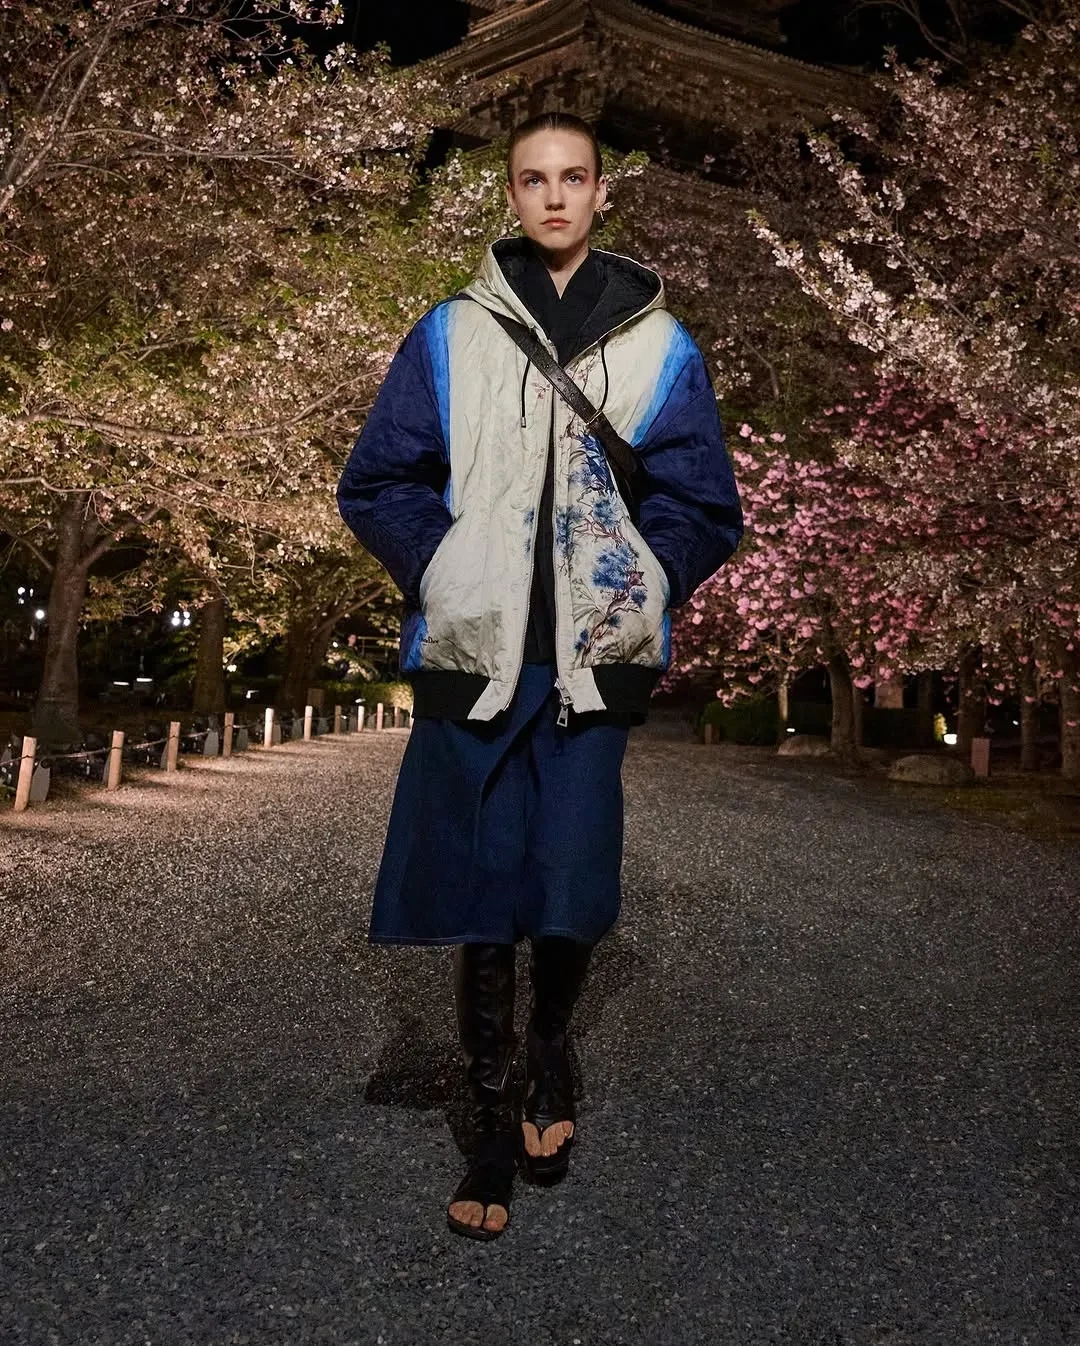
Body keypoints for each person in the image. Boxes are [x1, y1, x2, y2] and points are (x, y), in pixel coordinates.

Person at [337, 111, 743, 1241]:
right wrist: (447, 566)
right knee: (483, 878)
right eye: (533, 178)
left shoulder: (663, 347)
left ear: (604, 193)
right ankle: (488, 1115)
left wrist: (642, 581)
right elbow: (378, 481)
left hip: (593, 652)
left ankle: (549, 1050)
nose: (555, 196)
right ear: (510, 195)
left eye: (574, 177)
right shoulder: (450, 333)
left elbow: (704, 502)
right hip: (480, 647)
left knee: (567, 868)